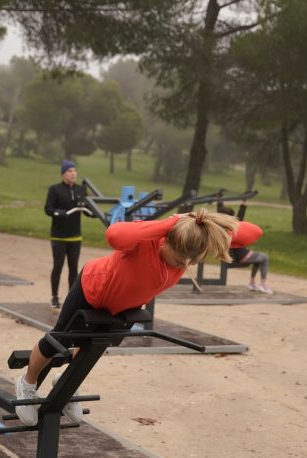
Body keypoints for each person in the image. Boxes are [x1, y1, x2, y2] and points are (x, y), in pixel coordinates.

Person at [14, 209, 261, 426]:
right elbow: (114, 234)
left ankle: (65, 384)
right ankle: (27, 384)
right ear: (166, 241)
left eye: (188, 261)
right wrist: (172, 221)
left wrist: (207, 223)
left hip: (123, 307)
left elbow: (254, 233)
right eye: (179, 258)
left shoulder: (193, 242)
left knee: (92, 348)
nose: (182, 264)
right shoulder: (145, 242)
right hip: (92, 289)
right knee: (59, 340)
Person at [44, 159, 86, 308]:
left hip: (75, 236)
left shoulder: (81, 189)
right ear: (63, 174)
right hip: (59, 236)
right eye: (69, 171)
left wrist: (93, 212)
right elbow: (48, 209)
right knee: (58, 266)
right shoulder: (55, 189)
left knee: (74, 268)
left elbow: (87, 208)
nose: (73, 174)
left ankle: (71, 299)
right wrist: (59, 212)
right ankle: (54, 297)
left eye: (74, 171)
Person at [217, 204, 273, 294]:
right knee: (265, 257)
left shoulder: (222, 228)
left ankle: (252, 282)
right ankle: (263, 284)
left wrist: (242, 207)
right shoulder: (230, 229)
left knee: (259, 259)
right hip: (241, 256)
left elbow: (239, 220)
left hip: (239, 254)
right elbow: (239, 220)